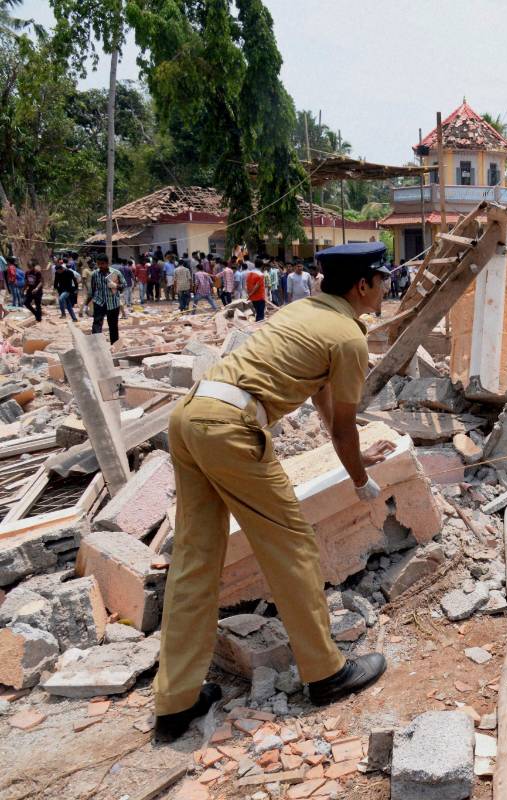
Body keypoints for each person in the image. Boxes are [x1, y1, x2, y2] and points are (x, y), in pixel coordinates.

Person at [153, 241, 393, 743]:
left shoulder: (306, 310)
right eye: (382, 279)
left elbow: (325, 402)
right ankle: (326, 673)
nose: (387, 287)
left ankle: (175, 700)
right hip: (233, 429)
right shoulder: (349, 337)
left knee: (196, 558)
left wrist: (349, 458)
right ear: (362, 285)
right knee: (291, 548)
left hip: (192, 416)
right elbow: (346, 423)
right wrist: (360, 481)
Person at [89, 256, 126, 344]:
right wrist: (89, 302)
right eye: (98, 264)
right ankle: (96, 344)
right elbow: (93, 289)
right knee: (97, 324)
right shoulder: (95, 274)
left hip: (113, 303)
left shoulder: (116, 273)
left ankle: (114, 345)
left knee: (113, 326)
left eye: (102, 264)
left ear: (107, 263)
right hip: (99, 302)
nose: (100, 266)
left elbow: (124, 286)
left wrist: (116, 286)